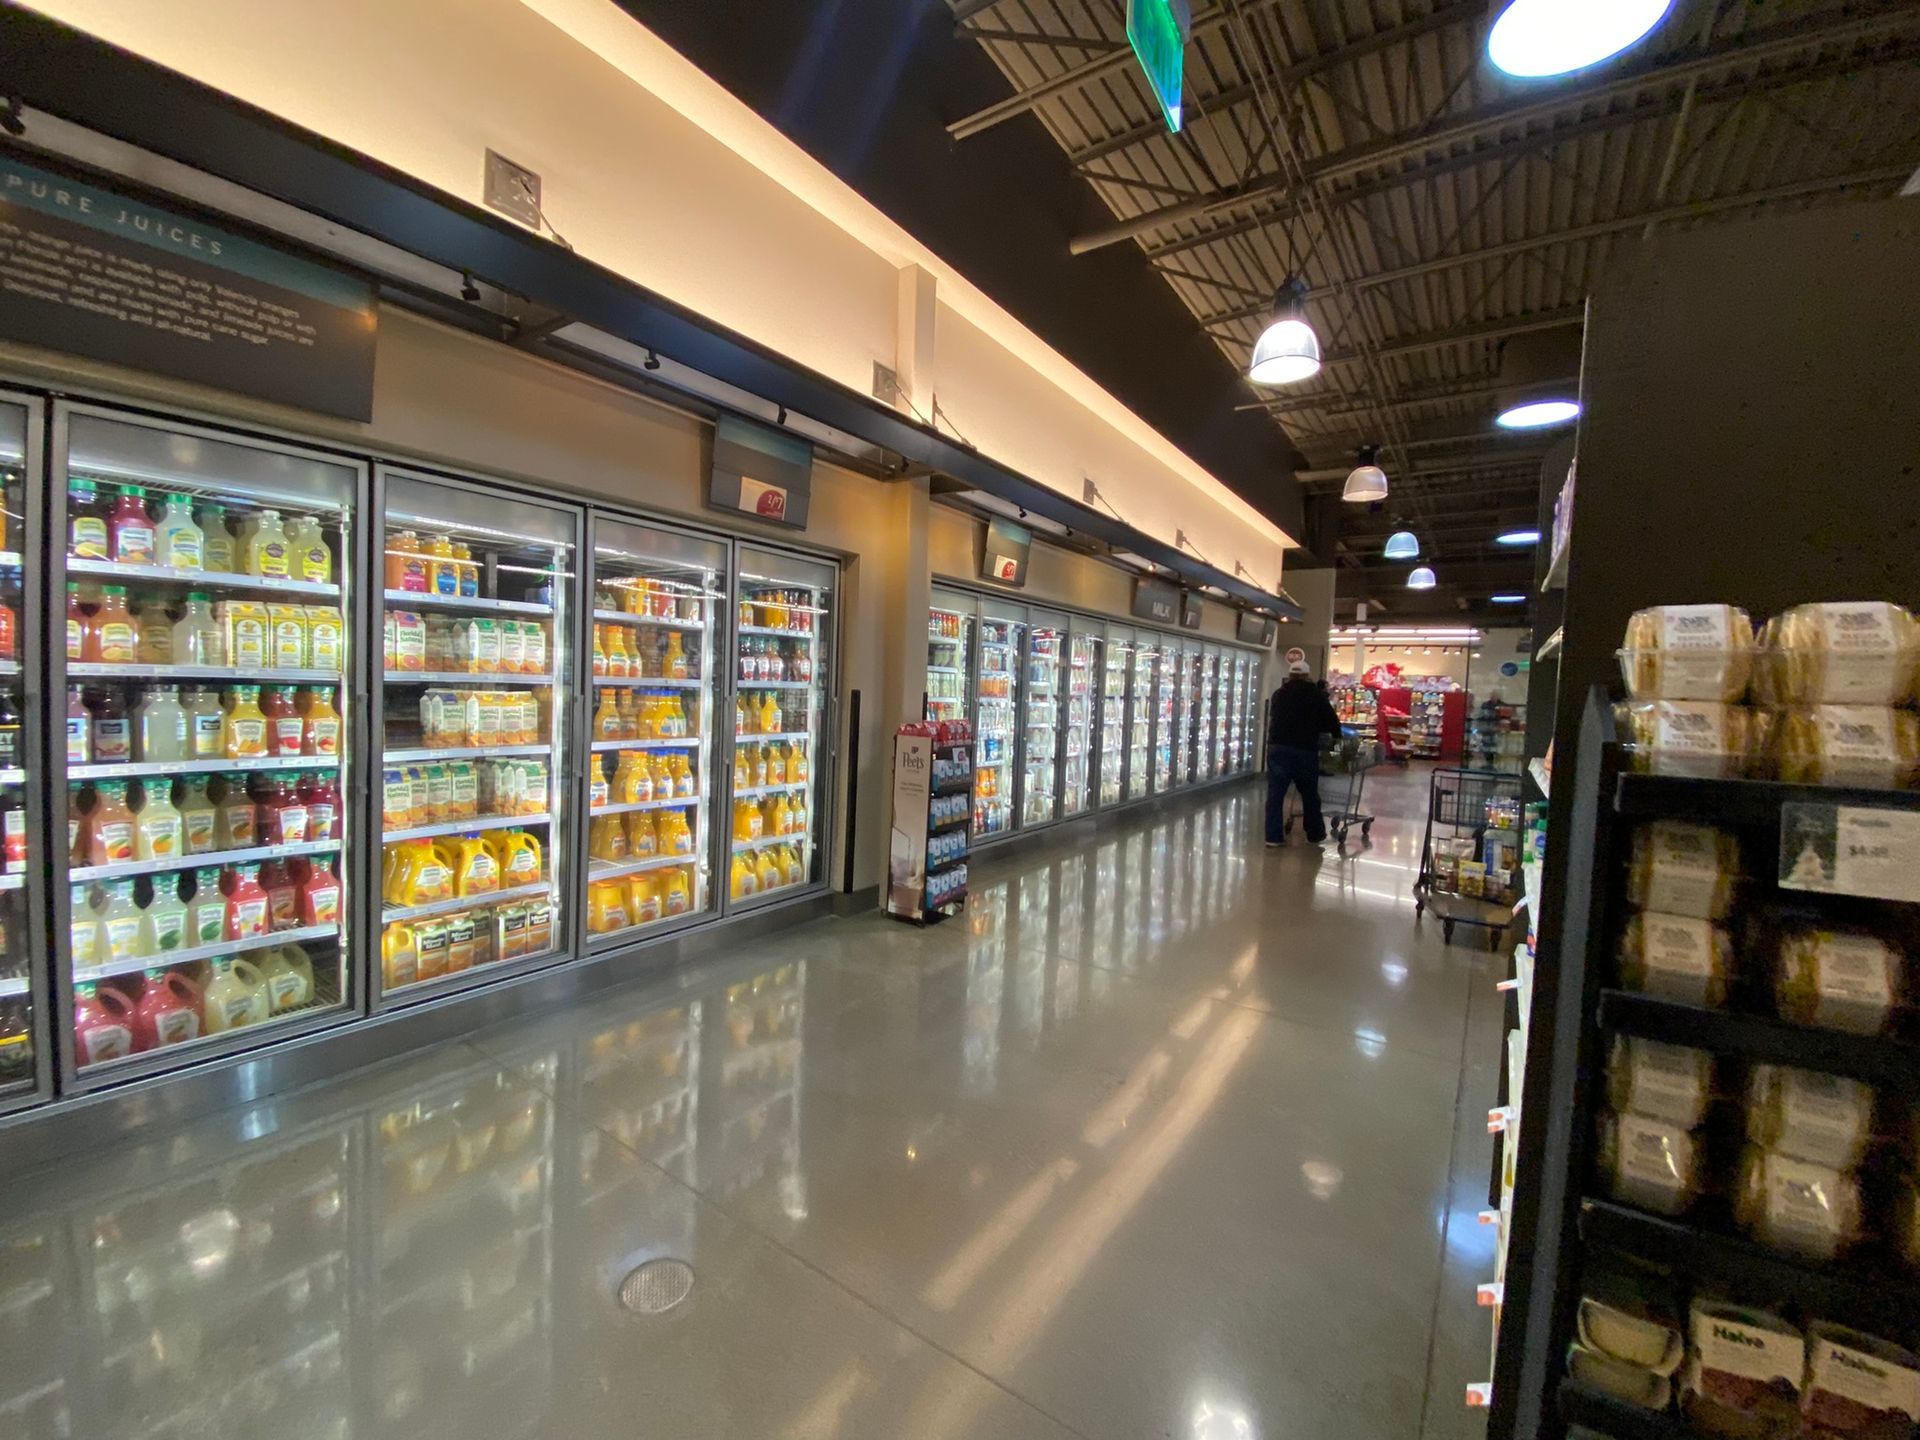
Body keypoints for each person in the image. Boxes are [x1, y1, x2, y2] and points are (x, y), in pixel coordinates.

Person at [1265, 658, 1341, 846]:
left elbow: (1274, 716)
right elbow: (1332, 722)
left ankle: (1273, 838)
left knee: (1275, 795)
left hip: (1278, 748)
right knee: (1309, 794)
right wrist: (1335, 740)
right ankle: (1314, 833)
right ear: (1307, 676)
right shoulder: (1316, 696)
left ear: (1290, 675)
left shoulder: (1279, 694)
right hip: (1304, 749)